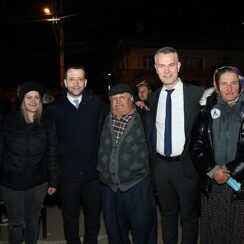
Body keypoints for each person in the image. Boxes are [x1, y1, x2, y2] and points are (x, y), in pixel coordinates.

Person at [149, 46, 203, 244]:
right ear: (156, 69)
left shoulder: (197, 95)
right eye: (162, 66)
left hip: (186, 166)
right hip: (161, 167)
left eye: (171, 65)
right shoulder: (153, 98)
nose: (167, 70)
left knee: (189, 217)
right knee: (167, 215)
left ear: (178, 66)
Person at [47, 64, 106, 244]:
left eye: (80, 79)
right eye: (71, 79)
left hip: (93, 175)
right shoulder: (54, 109)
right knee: (70, 219)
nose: (76, 83)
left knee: (93, 218)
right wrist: (54, 177)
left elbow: (118, 113)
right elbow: (51, 145)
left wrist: (138, 102)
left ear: (86, 82)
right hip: (67, 176)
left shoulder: (98, 105)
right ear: (65, 82)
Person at [0, 81, 60, 244]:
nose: (33, 101)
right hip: (11, 184)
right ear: (21, 99)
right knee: (16, 223)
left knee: (33, 222)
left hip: (37, 183)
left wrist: (54, 180)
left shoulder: (47, 123)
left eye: (37, 98)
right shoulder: (8, 121)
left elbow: (52, 153)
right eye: (28, 97)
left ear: (41, 100)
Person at [97, 83, 157, 244]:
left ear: (132, 99)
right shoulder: (103, 117)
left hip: (137, 186)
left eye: (122, 97)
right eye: (114, 98)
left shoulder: (146, 118)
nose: (118, 101)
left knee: (143, 231)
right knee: (115, 234)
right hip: (109, 188)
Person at [191, 66, 244, 244]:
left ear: (240, 84)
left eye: (234, 83)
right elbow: (197, 145)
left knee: (238, 234)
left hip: (240, 185)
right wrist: (213, 171)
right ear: (216, 85)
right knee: (214, 235)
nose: (229, 89)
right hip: (213, 185)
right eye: (224, 84)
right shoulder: (206, 110)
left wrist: (228, 171)